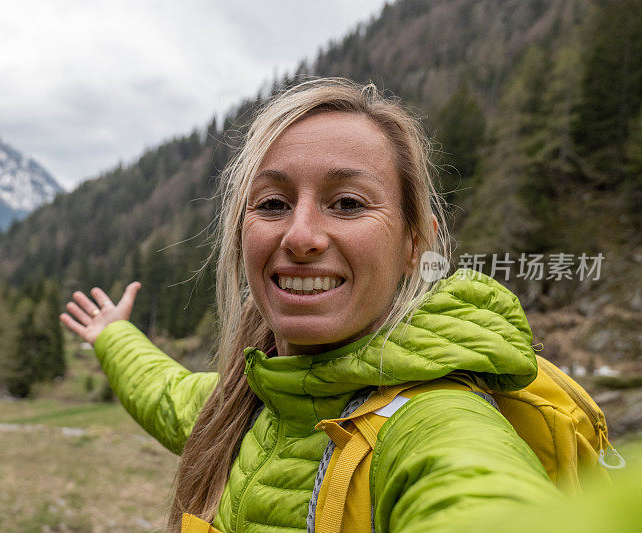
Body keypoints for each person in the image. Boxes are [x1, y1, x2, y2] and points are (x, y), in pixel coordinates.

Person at [59, 78, 559, 533]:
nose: (300, 236)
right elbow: (165, 394)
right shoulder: (241, 405)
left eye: (348, 203)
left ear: (416, 245)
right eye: (273, 204)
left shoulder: (438, 423)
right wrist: (112, 334)